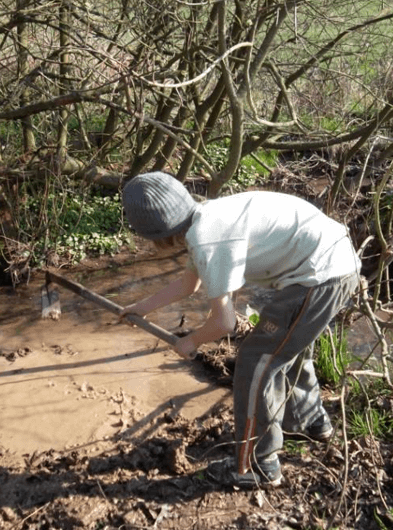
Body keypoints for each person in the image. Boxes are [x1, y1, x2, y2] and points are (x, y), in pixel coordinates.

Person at [120, 171, 361, 488]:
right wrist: (144, 307)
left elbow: (225, 323)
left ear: (156, 233)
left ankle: (256, 467)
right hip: (333, 263)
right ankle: (309, 420)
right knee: (284, 348)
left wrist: (190, 341)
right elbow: (187, 284)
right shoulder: (208, 217)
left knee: (255, 362)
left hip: (319, 277)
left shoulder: (209, 237)